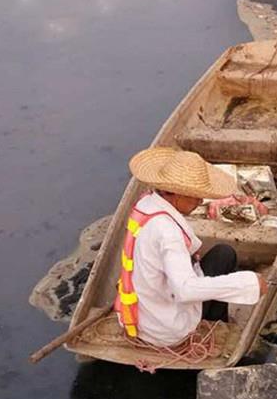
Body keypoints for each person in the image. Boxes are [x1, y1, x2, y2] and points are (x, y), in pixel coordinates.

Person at [114, 147, 267, 347]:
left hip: (138, 315)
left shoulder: (146, 204)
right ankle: (214, 324)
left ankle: (213, 319)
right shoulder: (168, 233)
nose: (201, 201)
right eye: (195, 196)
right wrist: (249, 283)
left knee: (220, 254)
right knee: (225, 255)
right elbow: (185, 290)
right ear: (177, 193)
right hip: (165, 328)